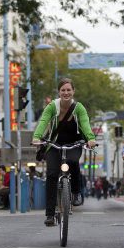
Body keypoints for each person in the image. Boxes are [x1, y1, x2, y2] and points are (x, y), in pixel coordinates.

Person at [32, 78, 96, 226]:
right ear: (59, 92)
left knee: (73, 162)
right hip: (54, 144)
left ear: (73, 91)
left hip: (74, 143)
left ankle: (76, 192)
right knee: (52, 175)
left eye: (69, 90)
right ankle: (49, 214)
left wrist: (91, 139)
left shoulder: (78, 108)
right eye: (63, 90)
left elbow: (85, 124)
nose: (66, 93)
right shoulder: (52, 107)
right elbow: (43, 122)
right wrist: (36, 136)